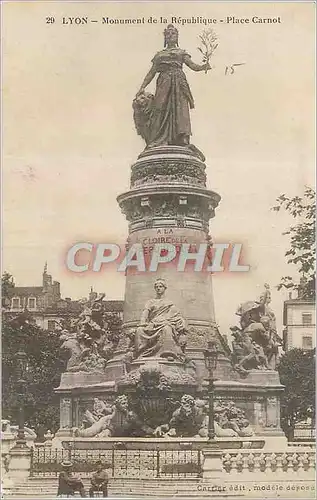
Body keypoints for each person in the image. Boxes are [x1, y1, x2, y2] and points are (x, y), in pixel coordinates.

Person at [135, 24, 211, 148]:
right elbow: (151, 73)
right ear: (165, 37)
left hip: (179, 83)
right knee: (159, 108)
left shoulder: (181, 53)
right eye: (168, 34)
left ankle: (182, 138)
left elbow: (193, 66)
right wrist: (142, 87)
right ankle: (158, 138)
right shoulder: (159, 55)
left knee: (180, 109)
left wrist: (204, 66)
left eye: (173, 34)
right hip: (164, 82)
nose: (170, 36)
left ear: (177, 37)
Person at [135, 278, 187, 360]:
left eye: (160, 286)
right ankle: (141, 354)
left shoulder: (169, 303)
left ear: (164, 288)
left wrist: (157, 322)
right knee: (139, 330)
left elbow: (173, 316)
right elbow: (145, 313)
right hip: (152, 324)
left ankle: (168, 353)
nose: (158, 288)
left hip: (162, 323)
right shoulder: (150, 302)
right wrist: (143, 322)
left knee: (167, 329)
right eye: (156, 287)